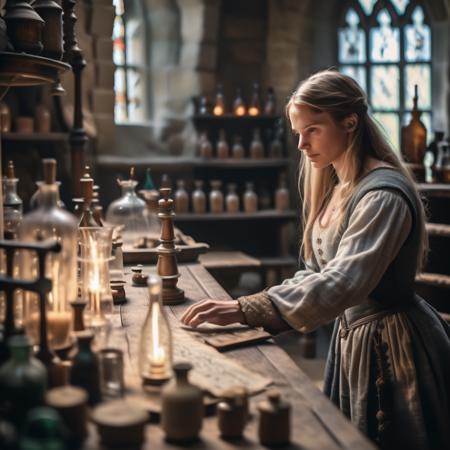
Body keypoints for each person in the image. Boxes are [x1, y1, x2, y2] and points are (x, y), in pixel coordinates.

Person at [181, 70, 450, 449]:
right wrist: (248, 305)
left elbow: (344, 282)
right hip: (351, 340)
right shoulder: (337, 186)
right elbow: (314, 272)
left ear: (350, 122)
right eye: (297, 133)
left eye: (313, 130)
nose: (302, 145)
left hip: (393, 346)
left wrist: (249, 308)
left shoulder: (382, 195)